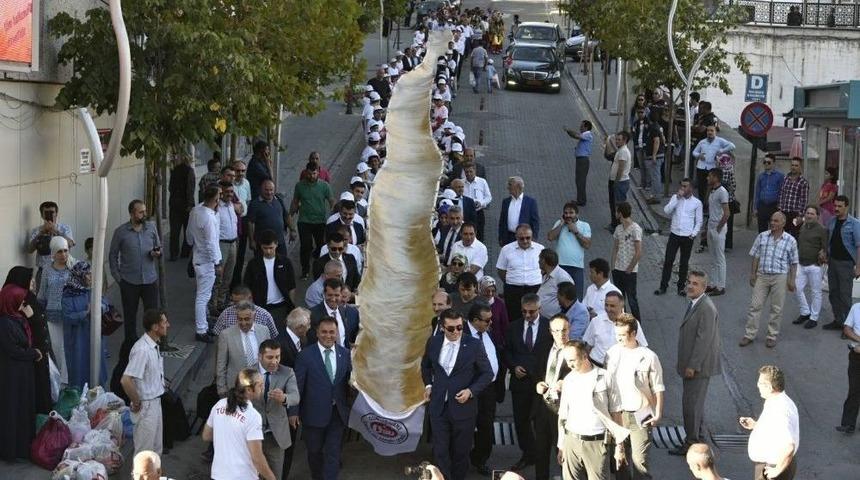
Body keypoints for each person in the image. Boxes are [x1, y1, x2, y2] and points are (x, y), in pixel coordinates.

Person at [422, 308, 493, 480]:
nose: (456, 332)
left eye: (460, 327)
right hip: (438, 405)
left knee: (461, 452)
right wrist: (429, 385)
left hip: (464, 408)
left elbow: (487, 373)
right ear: (442, 327)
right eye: (451, 328)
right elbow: (425, 366)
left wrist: (471, 391)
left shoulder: (474, 345)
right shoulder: (433, 342)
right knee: (440, 450)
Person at [557, 340, 628, 480]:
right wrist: (561, 445)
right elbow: (563, 415)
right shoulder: (569, 379)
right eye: (567, 360)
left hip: (597, 442)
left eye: (572, 360)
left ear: (584, 356)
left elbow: (616, 413)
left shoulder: (605, 377)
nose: (569, 364)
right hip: (571, 440)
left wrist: (620, 447)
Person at [606, 313, 664, 480]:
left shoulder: (648, 356)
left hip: (641, 413)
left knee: (640, 462)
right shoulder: (612, 353)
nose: (618, 339)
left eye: (622, 335)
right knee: (620, 460)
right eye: (616, 334)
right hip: (618, 414)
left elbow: (658, 387)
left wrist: (658, 413)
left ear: (633, 334)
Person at [294, 317, 353, 480]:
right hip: (313, 415)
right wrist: (293, 412)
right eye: (324, 332)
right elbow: (297, 386)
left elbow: (352, 382)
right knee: (315, 453)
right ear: (317, 333)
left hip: (337, 414)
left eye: (332, 332)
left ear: (337, 333)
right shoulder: (305, 356)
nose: (328, 336)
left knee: (333, 453)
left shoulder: (345, 354)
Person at [670, 271, 721, 456]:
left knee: (690, 405)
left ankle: (691, 443)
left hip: (698, 368)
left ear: (704, 287)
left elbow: (704, 340)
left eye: (696, 284)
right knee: (695, 404)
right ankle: (698, 437)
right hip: (693, 366)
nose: (690, 286)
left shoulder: (706, 307)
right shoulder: (695, 303)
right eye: (689, 282)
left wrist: (693, 365)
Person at [503, 293, 552, 473]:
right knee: (521, 421)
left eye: (531, 312)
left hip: (541, 382)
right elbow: (506, 351)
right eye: (524, 312)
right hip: (520, 383)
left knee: (541, 422)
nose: (528, 315)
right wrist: (514, 366)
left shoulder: (549, 327)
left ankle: (541, 455)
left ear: (539, 309)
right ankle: (528, 453)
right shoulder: (513, 327)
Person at [204, 367, 277, 480]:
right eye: (260, 385)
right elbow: (257, 458)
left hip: (218, 475)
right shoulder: (253, 416)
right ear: (248, 389)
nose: (263, 388)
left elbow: (206, 436)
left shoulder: (219, 404)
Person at [739, 212, 799, 349]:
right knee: (755, 305)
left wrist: (792, 280)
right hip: (762, 275)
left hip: (780, 276)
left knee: (776, 308)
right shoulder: (762, 236)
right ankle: (749, 334)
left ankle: (772, 336)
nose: (773, 223)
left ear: (783, 223)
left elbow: (794, 262)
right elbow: (755, 256)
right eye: (772, 220)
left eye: (776, 221)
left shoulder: (790, 240)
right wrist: (752, 274)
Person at [109, 199, 162, 342]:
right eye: (141, 212)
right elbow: (113, 255)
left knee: (152, 315)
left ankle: (152, 342)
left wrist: (156, 253)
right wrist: (118, 278)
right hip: (129, 281)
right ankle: (131, 344)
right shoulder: (120, 232)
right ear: (132, 214)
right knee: (130, 315)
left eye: (145, 211)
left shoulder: (151, 228)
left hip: (149, 280)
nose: (144, 214)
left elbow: (158, 246)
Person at [0, 283, 42, 462]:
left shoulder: (17, 317)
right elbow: (13, 350)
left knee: (22, 409)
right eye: (20, 301)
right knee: (12, 411)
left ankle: (22, 447)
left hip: (21, 373)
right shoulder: (5, 323)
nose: (24, 304)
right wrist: (33, 353)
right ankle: (11, 450)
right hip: (12, 375)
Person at [4, 267, 51, 413]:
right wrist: (32, 317)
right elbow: (25, 330)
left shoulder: (28, 296)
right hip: (30, 355)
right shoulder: (17, 300)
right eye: (29, 279)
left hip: (39, 350)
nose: (32, 282)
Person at [122, 309, 169, 455]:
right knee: (145, 455)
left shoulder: (153, 345)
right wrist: (136, 402)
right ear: (155, 327)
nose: (168, 325)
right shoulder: (142, 350)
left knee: (155, 451)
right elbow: (126, 380)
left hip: (154, 403)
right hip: (146, 406)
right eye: (164, 322)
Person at [740, 365, 798, 480]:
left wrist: (776, 471)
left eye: (760, 383)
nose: (757, 385)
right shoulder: (777, 401)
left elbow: (789, 446)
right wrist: (756, 426)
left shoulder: (780, 410)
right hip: (774, 464)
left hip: (773, 466)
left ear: (770, 387)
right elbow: (775, 430)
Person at [253, 339, 299, 480]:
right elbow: (237, 399)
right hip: (252, 435)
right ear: (260, 356)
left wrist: (284, 398)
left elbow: (295, 397)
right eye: (270, 357)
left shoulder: (287, 372)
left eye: (277, 357)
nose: (274, 361)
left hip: (275, 436)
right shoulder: (248, 372)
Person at [532, 316, 571, 480]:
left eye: (564, 330)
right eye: (556, 331)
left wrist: (567, 383)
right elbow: (536, 371)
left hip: (563, 410)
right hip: (543, 407)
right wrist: (538, 384)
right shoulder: (543, 347)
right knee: (541, 451)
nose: (561, 334)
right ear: (550, 332)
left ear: (569, 329)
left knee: (563, 453)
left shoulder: (575, 350)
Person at [61, 261, 107, 389]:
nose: (91, 277)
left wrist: (100, 308)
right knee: (79, 369)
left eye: (91, 274)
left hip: (95, 336)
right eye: (87, 274)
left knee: (97, 366)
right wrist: (85, 313)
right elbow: (67, 316)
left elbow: (106, 304)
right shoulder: (68, 295)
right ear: (79, 275)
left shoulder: (93, 290)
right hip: (77, 339)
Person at [466, 304, 499, 476]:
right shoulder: (462, 333)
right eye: (486, 320)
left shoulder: (487, 332)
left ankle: (480, 459)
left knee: (486, 426)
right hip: (470, 389)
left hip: (489, 389)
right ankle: (459, 460)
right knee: (465, 426)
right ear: (475, 320)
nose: (490, 322)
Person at [656, 178, 702, 296]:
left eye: (685, 186)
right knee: (668, 260)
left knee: (684, 262)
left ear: (691, 188)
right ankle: (663, 286)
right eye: (681, 186)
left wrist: (693, 234)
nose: (682, 188)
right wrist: (676, 198)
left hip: (687, 236)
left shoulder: (697, 203)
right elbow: (667, 210)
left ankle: (681, 287)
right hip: (674, 234)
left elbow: (699, 221)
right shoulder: (675, 198)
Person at [188, 185, 222, 343]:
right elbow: (211, 243)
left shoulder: (196, 211)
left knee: (203, 295)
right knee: (202, 297)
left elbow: (189, 236)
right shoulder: (208, 217)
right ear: (216, 198)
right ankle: (201, 329)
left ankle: (205, 324)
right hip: (206, 261)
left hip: (198, 257)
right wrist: (217, 262)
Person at [37, 236, 74, 384]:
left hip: (70, 314)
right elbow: (42, 293)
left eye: (66, 250)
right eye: (59, 251)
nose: (63, 254)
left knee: (68, 348)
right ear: (53, 252)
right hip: (52, 315)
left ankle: (66, 381)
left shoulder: (74, 266)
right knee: (58, 349)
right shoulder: (47, 269)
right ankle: (62, 380)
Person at [216, 301, 272, 397]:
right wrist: (222, 389)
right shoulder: (226, 335)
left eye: (247, 319)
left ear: (254, 317)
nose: (243, 323)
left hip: (259, 387)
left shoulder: (264, 331)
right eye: (240, 319)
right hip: (235, 388)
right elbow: (221, 364)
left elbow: (269, 358)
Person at [243, 230, 297, 325]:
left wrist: (291, 307)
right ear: (260, 246)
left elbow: (291, 286)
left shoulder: (285, 262)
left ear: (276, 244)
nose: (268, 251)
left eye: (271, 248)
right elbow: (247, 286)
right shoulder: (253, 264)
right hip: (261, 308)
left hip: (282, 307)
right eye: (265, 248)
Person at [823, 195, 860, 331]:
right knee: (833, 293)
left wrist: (858, 267)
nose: (836, 208)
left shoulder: (854, 223)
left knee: (845, 296)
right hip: (832, 262)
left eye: (840, 206)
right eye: (835, 206)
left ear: (846, 207)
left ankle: (848, 327)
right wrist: (824, 253)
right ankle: (838, 320)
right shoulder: (832, 221)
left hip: (846, 264)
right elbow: (828, 239)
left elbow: (858, 246)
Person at [291, 163, 334, 278]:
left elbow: (331, 201)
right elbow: (295, 202)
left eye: (314, 173)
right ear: (306, 172)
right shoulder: (299, 186)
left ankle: (320, 269)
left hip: (320, 222)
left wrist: (333, 217)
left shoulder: (325, 186)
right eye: (309, 174)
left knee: (321, 246)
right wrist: (289, 218)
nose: (311, 176)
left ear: (318, 173)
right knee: (305, 246)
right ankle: (305, 270)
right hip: (304, 221)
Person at [497, 224, 544, 324]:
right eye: (521, 238)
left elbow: (545, 269)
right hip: (513, 290)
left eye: (528, 238)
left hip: (535, 289)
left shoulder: (540, 249)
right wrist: (511, 281)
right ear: (516, 237)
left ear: (532, 236)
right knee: (514, 319)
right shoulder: (506, 249)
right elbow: (501, 270)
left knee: (535, 319)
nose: (525, 241)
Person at [790, 206, 828, 329]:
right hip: (801, 264)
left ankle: (814, 318)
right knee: (797, 288)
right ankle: (805, 312)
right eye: (807, 213)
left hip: (815, 266)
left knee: (816, 292)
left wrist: (823, 254)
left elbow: (826, 247)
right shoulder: (803, 226)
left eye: (812, 214)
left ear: (817, 216)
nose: (809, 216)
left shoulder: (822, 229)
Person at [548, 202, 592, 301]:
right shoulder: (559, 223)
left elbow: (587, 245)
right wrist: (561, 224)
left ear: (577, 214)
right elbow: (550, 237)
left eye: (571, 213)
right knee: (559, 295)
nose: (568, 215)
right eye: (566, 213)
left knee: (577, 297)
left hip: (576, 267)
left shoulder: (585, 225)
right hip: (560, 266)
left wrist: (576, 231)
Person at [247, 179, 294, 258]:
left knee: (282, 263)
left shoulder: (278, 200)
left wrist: (292, 230)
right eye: (266, 190)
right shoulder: (255, 204)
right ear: (261, 190)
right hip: (263, 244)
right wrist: (251, 241)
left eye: (271, 190)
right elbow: (250, 223)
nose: (269, 192)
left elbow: (286, 215)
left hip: (279, 241)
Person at [611, 203, 642, 321]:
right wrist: (613, 265)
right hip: (618, 269)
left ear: (620, 213)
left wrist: (630, 268)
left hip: (630, 271)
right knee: (620, 298)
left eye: (616, 211)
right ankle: (623, 322)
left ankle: (637, 324)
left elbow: (639, 252)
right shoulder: (618, 229)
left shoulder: (635, 229)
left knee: (632, 299)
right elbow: (615, 248)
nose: (615, 214)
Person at [212, 284, 279, 339]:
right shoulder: (226, 314)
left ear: (250, 298)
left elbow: (273, 337)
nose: (237, 305)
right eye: (234, 302)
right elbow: (218, 336)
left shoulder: (264, 315)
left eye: (240, 301)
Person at [308, 278, 360, 348]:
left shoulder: (344, 311)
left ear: (341, 295)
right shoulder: (313, 315)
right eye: (330, 295)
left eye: (336, 295)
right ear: (324, 294)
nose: (333, 299)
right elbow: (311, 342)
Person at [214, 181, 242, 312]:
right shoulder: (216, 208)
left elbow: (241, 211)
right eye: (227, 192)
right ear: (221, 193)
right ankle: (214, 305)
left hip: (233, 244)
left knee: (228, 276)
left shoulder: (232, 205)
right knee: (218, 277)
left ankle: (222, 302)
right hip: (221, 244)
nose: (230, 194)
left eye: (232, 192)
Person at [692, 125, 735, 209]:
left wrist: (721, 151)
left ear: (715, 132)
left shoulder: (720, 141)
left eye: (712, 131)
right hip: (701, 167)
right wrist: (699, 155)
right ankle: (702, 206)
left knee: (711, 187)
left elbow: (732, 146)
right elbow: (694, 152)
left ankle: (709, 205)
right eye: (708, 131)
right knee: (701, 187)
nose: (710, 132)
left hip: (712, 167)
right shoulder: (702, 142)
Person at [28, 201, 75, 277]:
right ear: (42, 215)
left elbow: (70, 244)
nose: (49, 215)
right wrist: (40, 234)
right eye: (46, 213)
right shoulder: (36, 230)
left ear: (56, 214)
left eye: (52, 212)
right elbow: (30, 250)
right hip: (43, 270)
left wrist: (56, 231)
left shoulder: (64, 228)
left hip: (62, 270)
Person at [705, 169, 730, 295]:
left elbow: (727, 213)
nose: (707, 178)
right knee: (713, 257)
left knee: (720, 258)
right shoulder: (712, 190)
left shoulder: (722, 192)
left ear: (715, 177)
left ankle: (721, 286)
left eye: (709, 176)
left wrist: (718, 228)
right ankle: (712, 283)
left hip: (717, 228)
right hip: (711, 225)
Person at [837, 304, 860, 433]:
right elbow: (847, 329)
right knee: (854, 389)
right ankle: (848, 423)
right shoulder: (856, 308)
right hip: (856, 356)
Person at [498, 177, 540, 247]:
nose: (508, 187)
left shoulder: (530, 202)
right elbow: (502, 221)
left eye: (510, 184)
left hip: (524, 238)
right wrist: (500, 237)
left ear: (518, 186)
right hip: (508, 237)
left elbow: (535, 222)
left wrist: (534, 238)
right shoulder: (506, 202)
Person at [168, 156, 195, 261]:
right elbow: (190, 189)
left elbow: (170, 187)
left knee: (174, 231)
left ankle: (174, 253)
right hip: (185, 205)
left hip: (174, 203)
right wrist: (190, 204)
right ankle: (185, 252)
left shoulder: (174, 170)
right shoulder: (189, 171)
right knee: (187, 230)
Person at [563, 120, 594, 206]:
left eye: (582, 126)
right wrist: (569, 131)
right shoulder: (585, 134)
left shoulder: (588, 134)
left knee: (581, 180)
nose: (580, 128)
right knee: (579, 180)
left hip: (583, 160)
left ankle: (581, 200)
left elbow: (576, 136)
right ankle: (580, 199)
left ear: (586, 127)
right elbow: (576, 135)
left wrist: (568, 130)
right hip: (580, 160)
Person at [537, 248, 574, 317]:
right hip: (543, 319)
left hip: (554, 321)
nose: (538, 261)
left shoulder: (562, 277)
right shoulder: (546, 274)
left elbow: (569, 300)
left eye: (539, 259)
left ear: (544, 261)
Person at [777, 157, 809, 237]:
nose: (793, 167)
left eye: (796, 165)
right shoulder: (785, 179)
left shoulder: (803, 182)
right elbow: (782, 194)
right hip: (784, 213)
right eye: (792, 165)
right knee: (782, 235)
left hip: (795, 215)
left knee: (794, 236)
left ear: (800, 167)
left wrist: (800, 216)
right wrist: (780, 210)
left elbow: (804, 200)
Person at [753, 153, 785, 233]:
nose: (766, 164)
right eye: (765, 162)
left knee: (774, 228)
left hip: (774, 206)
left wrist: (780, 206)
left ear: (773, 163)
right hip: (762, 205)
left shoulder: (780, 176)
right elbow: (757, 192)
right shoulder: (761, 176)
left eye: (769, 162)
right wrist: (755, 208)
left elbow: (782, 191)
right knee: (761, 229)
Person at [609, 131, 632, 229]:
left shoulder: (623, 152)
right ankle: (614, 224)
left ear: (625, 140)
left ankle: (620, 227)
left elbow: (621, 168)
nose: (617, 141)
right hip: (618, 181)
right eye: (616, 139)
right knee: (614, 203)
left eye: (619, 140)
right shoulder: (621, 150)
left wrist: (616, 182)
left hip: (620, 182)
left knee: (619, 206)